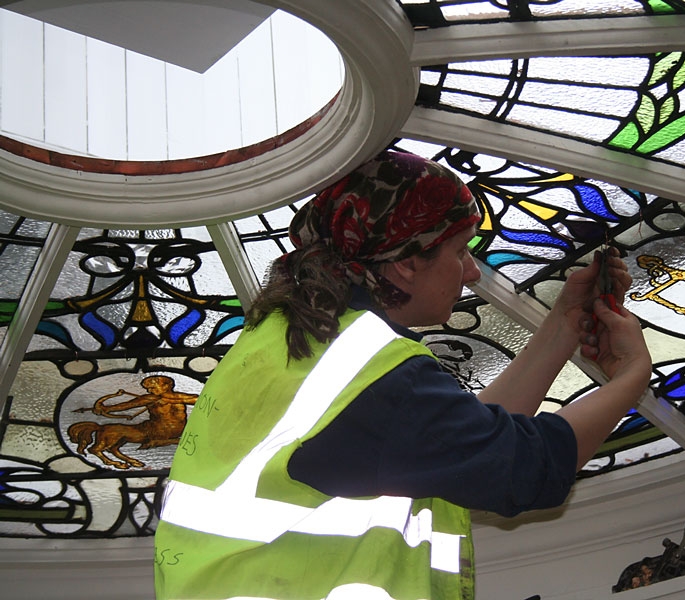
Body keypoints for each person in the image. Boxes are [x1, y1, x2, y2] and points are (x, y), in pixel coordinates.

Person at [154, 150, 652, 600]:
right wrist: (630, 377)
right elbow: (525, 467)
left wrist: (563, 326)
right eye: (460, 251)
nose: (474, 272)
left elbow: (467, 446)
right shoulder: (373, 376)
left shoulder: (296, 343)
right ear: (409, 262)